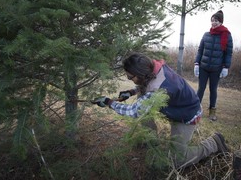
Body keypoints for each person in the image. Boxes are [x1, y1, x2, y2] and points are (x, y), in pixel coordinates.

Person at [93, 53, 229, 169]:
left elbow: (133, 112)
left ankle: (214, 143)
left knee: (178, 160)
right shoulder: (154, 67)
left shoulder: (160, 88)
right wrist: (131, 91)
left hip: (187, 115)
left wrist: (109, 102)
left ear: (141, 73)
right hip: (175, 108)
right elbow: (148, 84)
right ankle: (152, 141)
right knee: (143, 100)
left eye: (130, 77)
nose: (130, 80)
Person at [194, 10, 233, 121]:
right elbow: (200, 50)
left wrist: (226, 67)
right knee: (201, 88)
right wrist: (196, 63)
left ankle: (212, 112)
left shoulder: (227, 36)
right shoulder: (206, 35)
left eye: (216, 21)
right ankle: (195, 109)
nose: (213, 23)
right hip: (203, 67)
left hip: (216, 68)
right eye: (212, 21)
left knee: (213, 89)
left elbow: (228, 53)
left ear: (220, 21)